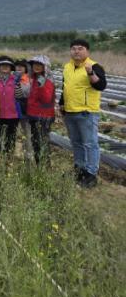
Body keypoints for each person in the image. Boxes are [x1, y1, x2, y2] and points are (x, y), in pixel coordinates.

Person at [59, 39, 107, 188]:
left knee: (90, 144)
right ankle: (79, 169)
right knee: (76, 142)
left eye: (80, 48)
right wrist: (61, 103)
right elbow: (65, 86)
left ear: (87, 51)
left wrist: (90, 73)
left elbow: (101, 85)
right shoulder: (67, 67)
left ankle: (91, 174)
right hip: (70, 111)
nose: (76, 51)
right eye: (74, 48)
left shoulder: (94, 66)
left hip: (86, 112)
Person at [26, 55, 56, 167]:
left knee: (41, 142)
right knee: (36, 142)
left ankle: (43, 167)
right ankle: (40, 166)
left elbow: (46, 98)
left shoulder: (45, 79)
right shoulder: (36, 78)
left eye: (40, 64)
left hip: (43, 116)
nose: (36, 66)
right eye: (35, 64)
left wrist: (41, 85)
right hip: (35, 114)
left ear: (45, 66)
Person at [0, 56, 26, 155]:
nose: (5, 67)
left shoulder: (17, 79)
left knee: (10, 138)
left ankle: (8, 157)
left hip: (13, 114)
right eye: (2, 65)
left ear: (11, 68)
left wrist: (17, 84)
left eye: (7, 65)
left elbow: (21, 96)